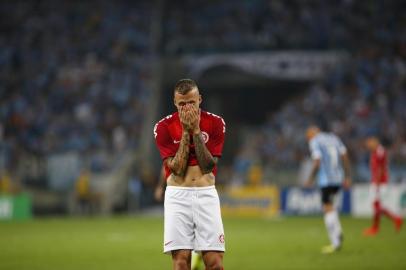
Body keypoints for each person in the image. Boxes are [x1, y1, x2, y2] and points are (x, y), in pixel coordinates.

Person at [153, 79, 226, 270]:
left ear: (200, 99)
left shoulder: (216, 123)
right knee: (181, 263)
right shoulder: (163, 127)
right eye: (182, 104)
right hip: (178, 197)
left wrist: (195, 130)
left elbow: (208, 165)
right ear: (174, 103)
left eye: (191, 102)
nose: (187, 107)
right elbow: (176, 168)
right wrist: (186, 131)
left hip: (206, 194)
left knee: (215, 264)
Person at [305, 126, 351, 254]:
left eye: (307, 136)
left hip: (326, 179)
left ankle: (335, 242)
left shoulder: (315, 141)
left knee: (327, 208)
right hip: (338, 178)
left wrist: (310, 179)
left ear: (312, 133)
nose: (307, 139)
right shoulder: (334, 138)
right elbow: (345, 156)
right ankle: (338, 232)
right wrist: (347, 177)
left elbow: (317, 162)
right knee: (331, 206)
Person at [363, 137, 403, 236]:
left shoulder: (380, 151)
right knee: (377, 205)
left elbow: (380, 168)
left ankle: (392, 221)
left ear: (375, 142)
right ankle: (392, 221)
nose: (368, 146)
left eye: (369, 143)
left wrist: (377, 182)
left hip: (380, 182)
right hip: (376, 181)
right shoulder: (375, 151)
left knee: (376, 205)